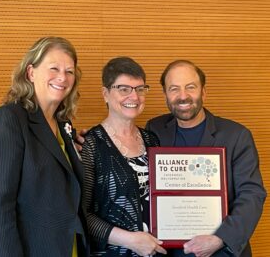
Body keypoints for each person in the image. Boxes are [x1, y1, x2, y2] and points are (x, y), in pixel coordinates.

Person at [0, 36, 89, 257]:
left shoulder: (64, 126)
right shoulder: (9, 119)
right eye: (54, 68)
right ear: (30, 73)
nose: (62, 77)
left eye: (70, 71)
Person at [146, 59, 267, 257]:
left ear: (203, 91)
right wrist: (92, 140)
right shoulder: (155, 129)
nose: (183, 96)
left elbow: (252, 194)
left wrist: (220, 238)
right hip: (169, 250)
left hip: (220, 250)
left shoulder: (236, 135)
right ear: (165, 95)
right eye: (174, 89)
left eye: (190, 87)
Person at [81, 57, 167, 256]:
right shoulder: (91, 144)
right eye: (124, 89)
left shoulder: (152, 140)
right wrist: (130, 240)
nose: (134, 97)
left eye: (140, 89)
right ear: (105, 94)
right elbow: (82, 214)